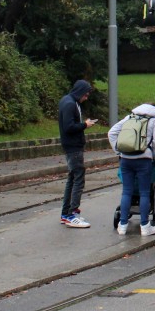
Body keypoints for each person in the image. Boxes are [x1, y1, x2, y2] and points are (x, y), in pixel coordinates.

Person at [109, 103, 155, 236]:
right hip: (143, 159)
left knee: (126, 192)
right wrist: (154, 158)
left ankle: (122, 226)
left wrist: (119, 151)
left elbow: (111, 132)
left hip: (126, 159)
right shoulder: (154, 121)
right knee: (145, 192)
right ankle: (145, 226)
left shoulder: (129, 117)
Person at [58, 79, 97, 228]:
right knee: (78, 179)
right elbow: (69, 127)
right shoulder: (69, 104)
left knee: (72, 178)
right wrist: (85, 125)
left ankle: (65, 213)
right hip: (73, 147)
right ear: (80, 92)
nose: (86, 98)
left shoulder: (68, 101)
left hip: (72, 146)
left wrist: (83, 124)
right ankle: (71, 213)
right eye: (86, 95)